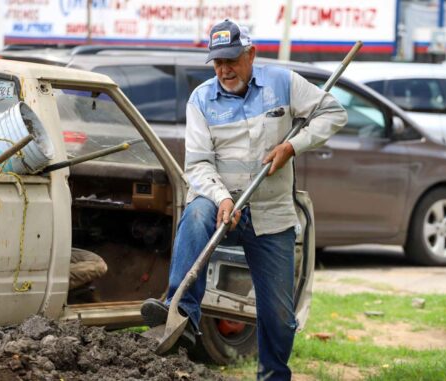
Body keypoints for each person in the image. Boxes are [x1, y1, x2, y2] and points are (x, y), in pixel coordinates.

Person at [141, 19, 347, 381]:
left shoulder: (283, 84)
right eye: (217, 62)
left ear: (251, 54)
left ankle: (273, 375)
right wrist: (221, 198)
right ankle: (182, 314)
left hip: (271, 214)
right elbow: (199, 164)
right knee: (196, 212)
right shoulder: (201, 99)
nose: (224, 70)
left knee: (279, 317)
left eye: (231, 60)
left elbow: (334, 113)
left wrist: (292, 145)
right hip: (220, 208)